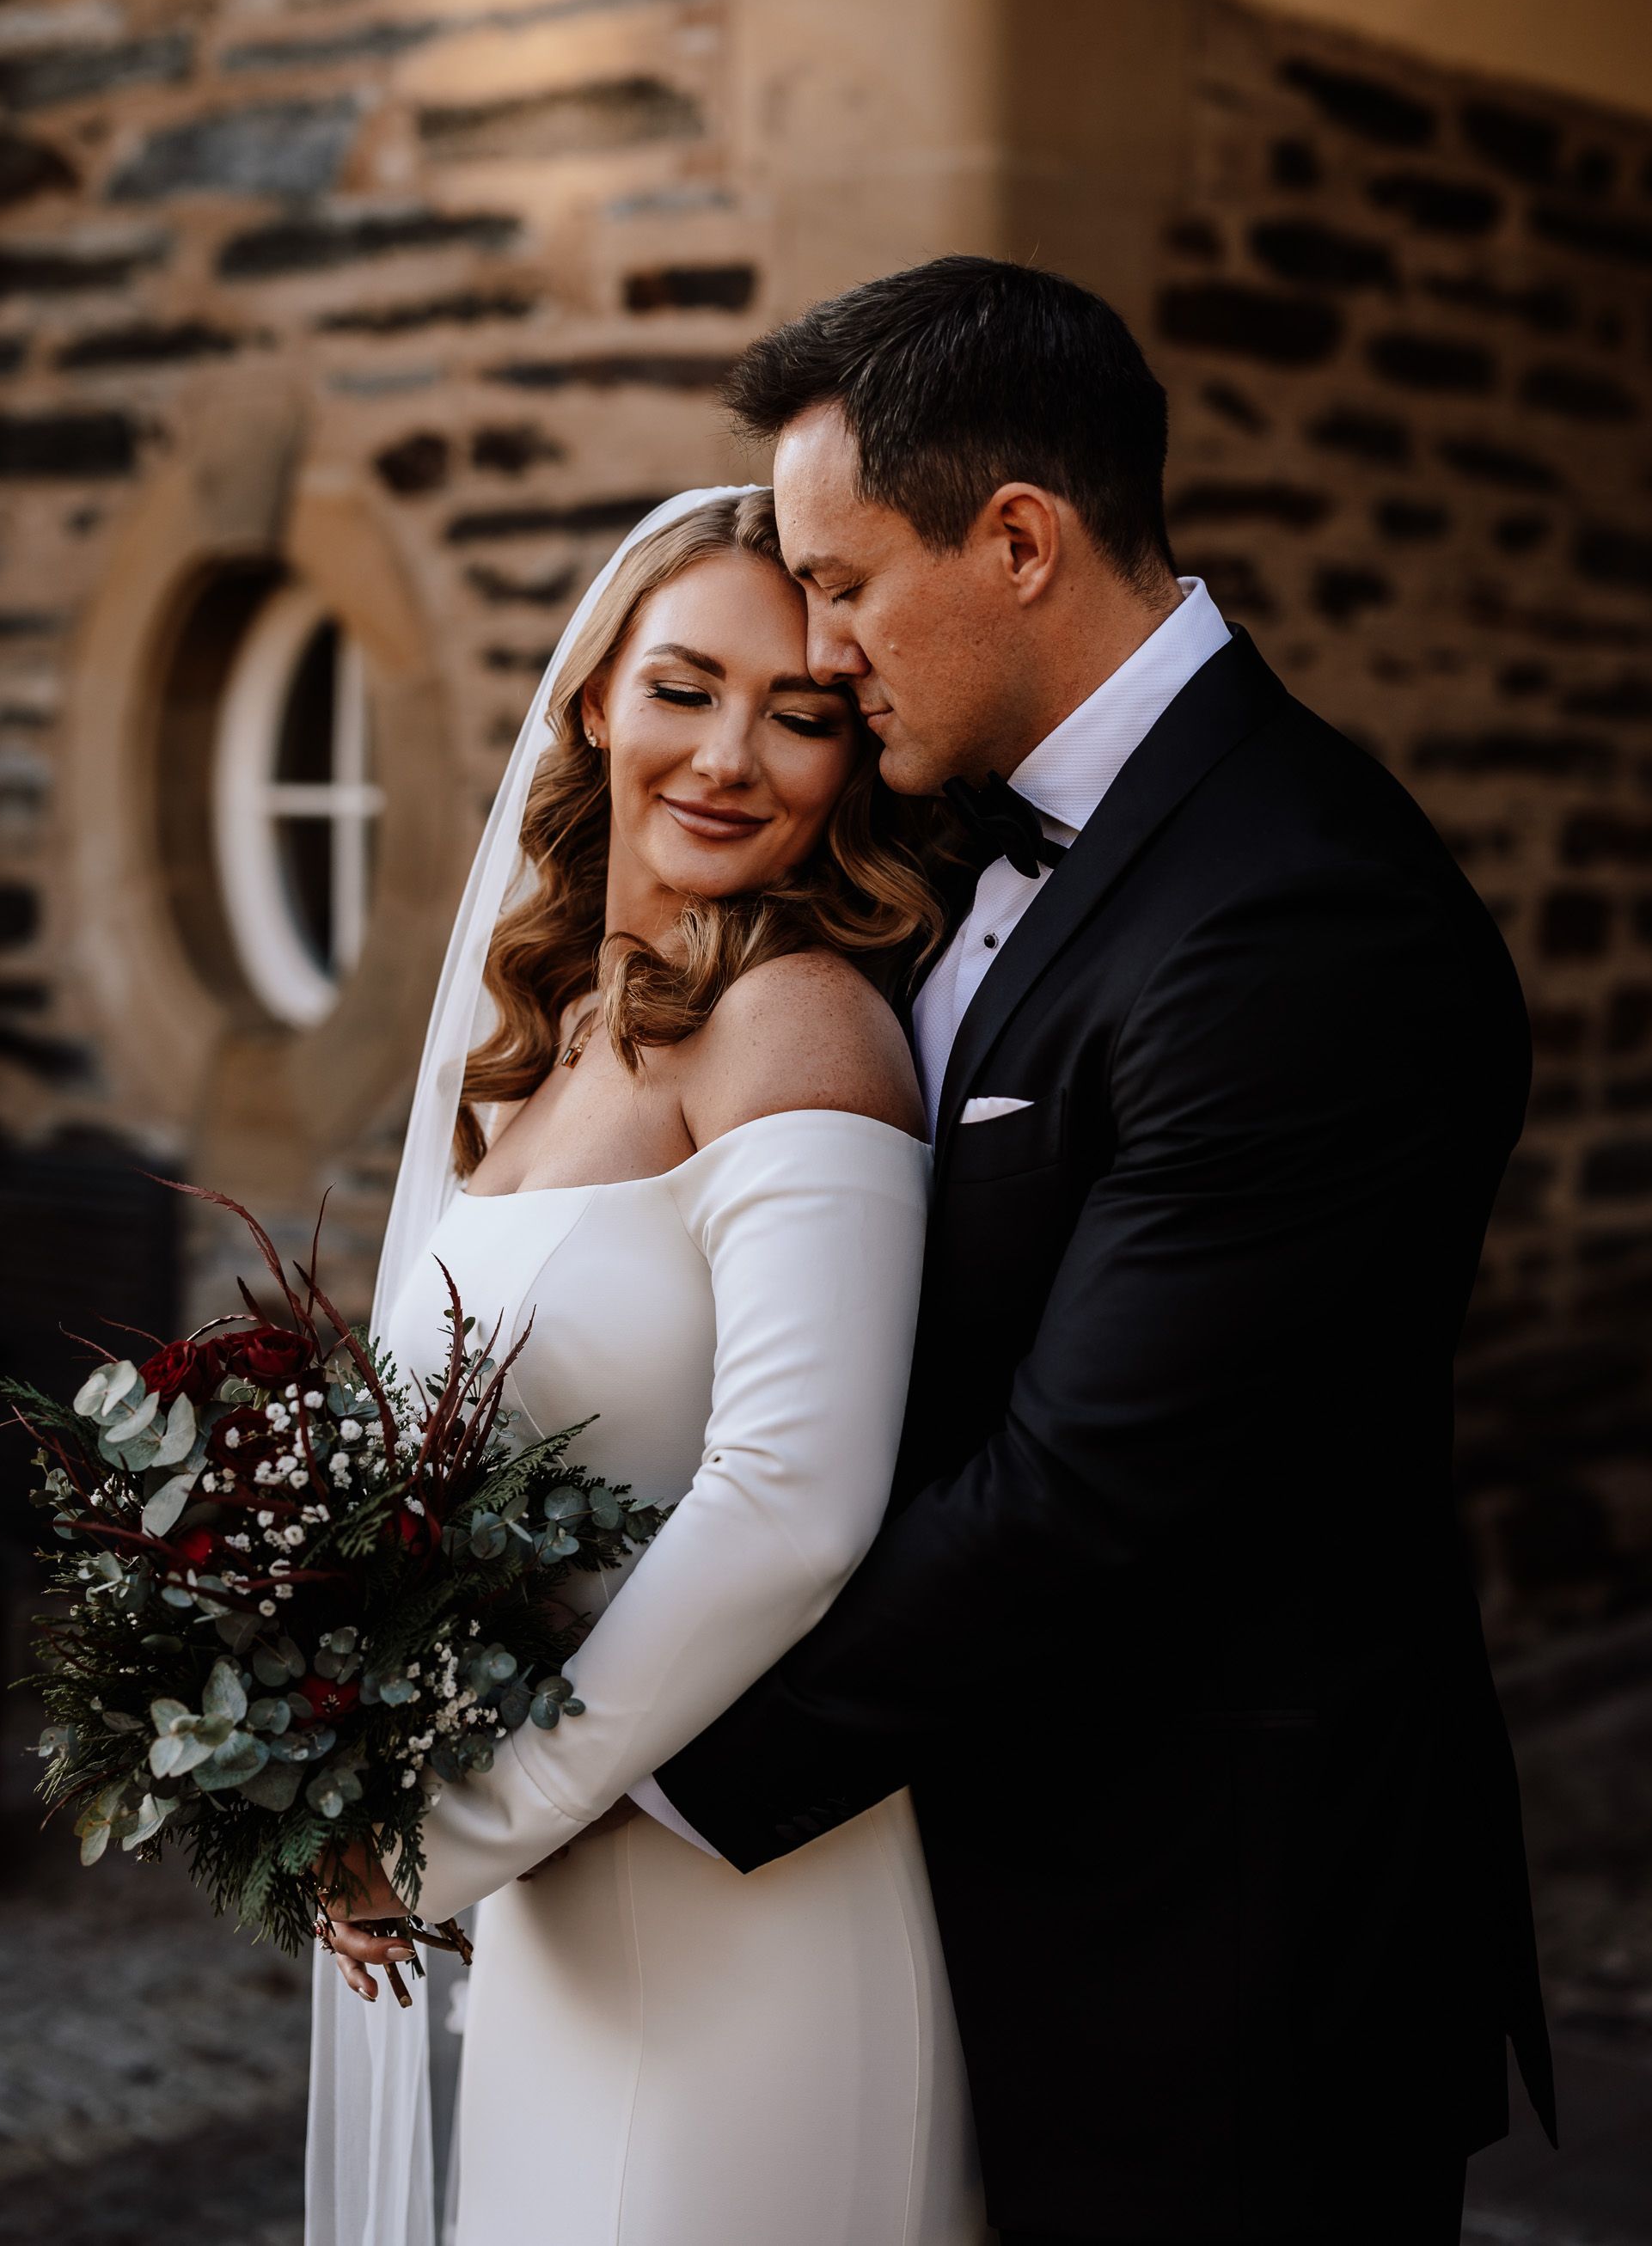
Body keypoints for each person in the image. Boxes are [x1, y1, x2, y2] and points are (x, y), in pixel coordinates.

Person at [639, 260, 1554, 2243]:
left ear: (1022, 541)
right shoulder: (956, 825)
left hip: (1216, 1968)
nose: (821, 641)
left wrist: (625, 1779)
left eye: (849, 580)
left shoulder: (1302, 913)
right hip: (970, 1900)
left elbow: (1090, 1495)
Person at [324, 488, 992, 2246]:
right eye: (687, 687)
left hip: (745, 1907)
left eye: (803, 712)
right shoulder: (542, 1048)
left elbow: (792, 1502)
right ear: (598, 696)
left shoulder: (803, 1020)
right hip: (560, 1917)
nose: (732, 756)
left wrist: (453, 1829)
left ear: (855, 760)